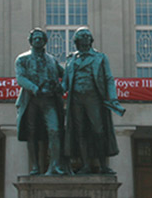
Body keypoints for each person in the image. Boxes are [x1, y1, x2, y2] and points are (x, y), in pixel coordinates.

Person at [62, 27, 125, 174]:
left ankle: (103, 165)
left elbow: (109, 78)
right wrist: (58, 88)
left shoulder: (100, 57)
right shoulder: (71, 59)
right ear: (76, 41)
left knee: (98, 131)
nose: (84, 38)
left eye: (87, 36)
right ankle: (85, 165)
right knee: (80, 132)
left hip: (93, 98)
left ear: (91, 40)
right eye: (81, 36)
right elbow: (65, 82)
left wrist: (113, 98)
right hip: (76, 99)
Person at [15, 28, 65, 175]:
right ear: (31, 41)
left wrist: (61, 87)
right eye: (35, 38)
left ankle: (54, 165)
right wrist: (35, 88)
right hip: (31, 100)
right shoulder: (22, 59)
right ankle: (35, 166)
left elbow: (65, 74)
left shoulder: (51, 60)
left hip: (49, 100)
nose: (38, 41)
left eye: (40, 39)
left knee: (54, 130)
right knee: (32, 133)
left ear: (44, 41)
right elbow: (21, 78)